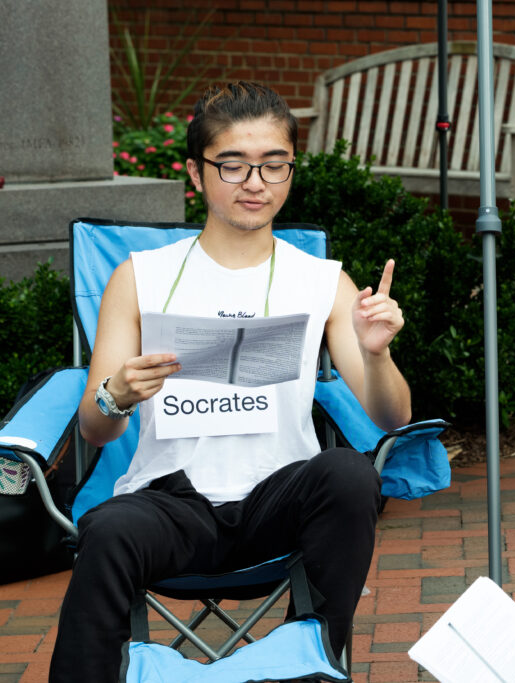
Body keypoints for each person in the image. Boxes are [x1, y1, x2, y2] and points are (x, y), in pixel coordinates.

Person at [49, 81, 411, 681]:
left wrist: (376, 356)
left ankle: (312, 660)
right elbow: (95, 425)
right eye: (233, 165)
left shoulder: (322, 281)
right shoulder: (140, 277)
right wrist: (118, 394)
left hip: (278, 501)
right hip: (172, 505)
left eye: (275, 165)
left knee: (349, 474)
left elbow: (392, 417)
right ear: (196, 173)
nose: (256, 182)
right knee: (109, 528)